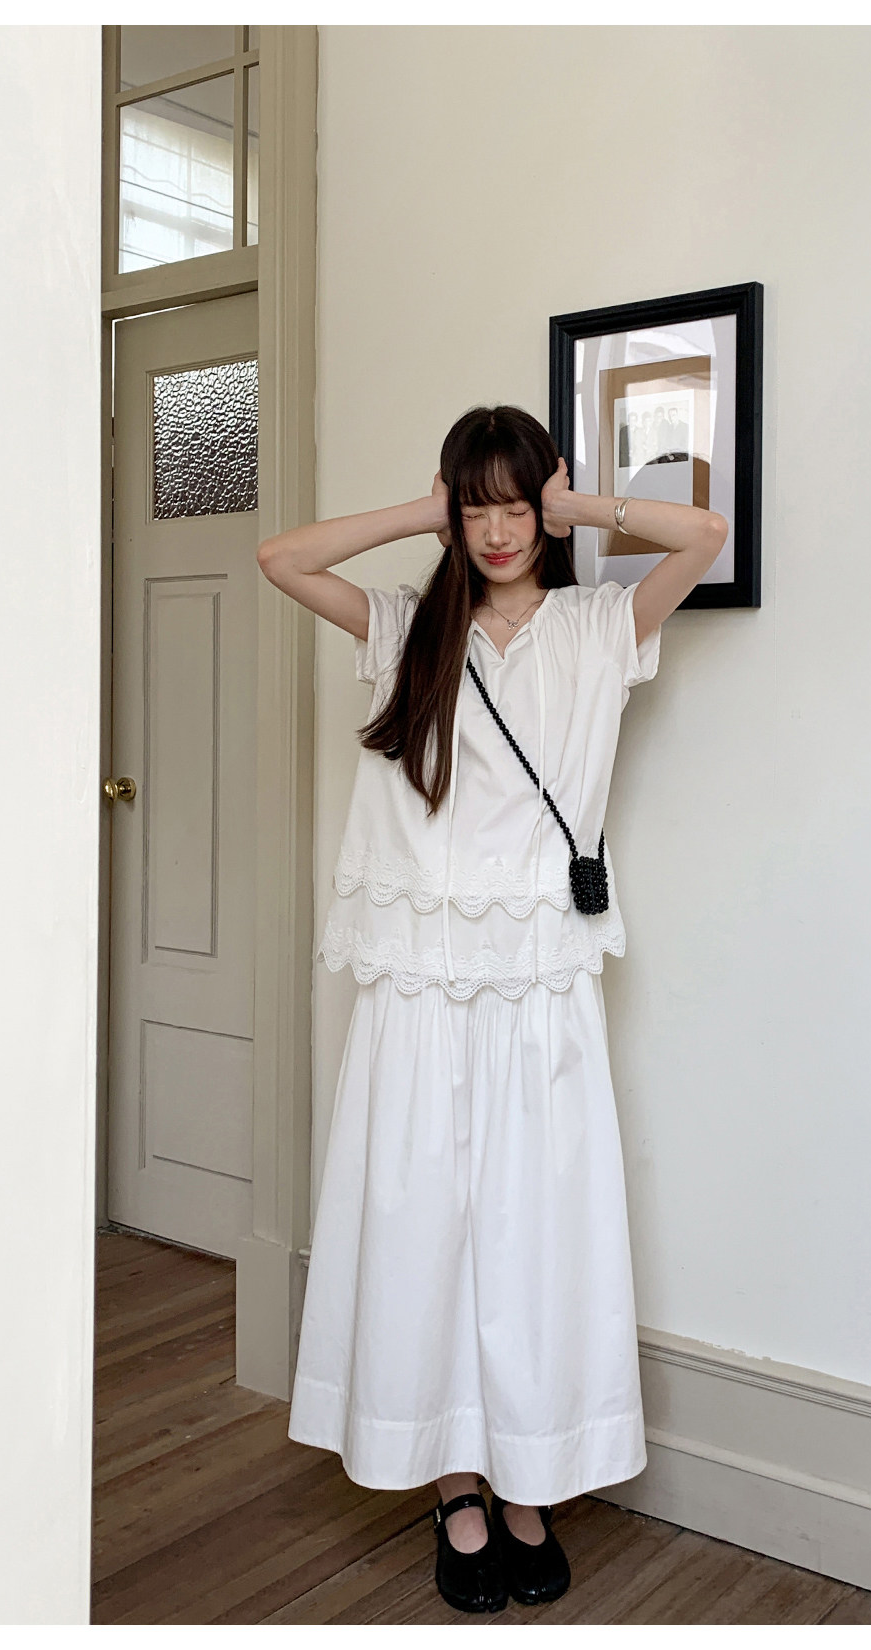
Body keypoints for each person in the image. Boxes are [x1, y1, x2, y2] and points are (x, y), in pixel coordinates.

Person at [256, 404, 729, 1614]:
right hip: (419, 983)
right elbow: (281, 557)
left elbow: (704, 533)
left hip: (540, 982)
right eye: (480, 508)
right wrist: (427, 510)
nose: (501, 529)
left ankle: (531, 1479)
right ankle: (456, 1487)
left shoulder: (598, 626)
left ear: (545, 508)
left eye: (517, 506)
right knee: (424, 1228)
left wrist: (576, 506)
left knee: (536, 1232)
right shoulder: (407, 630)